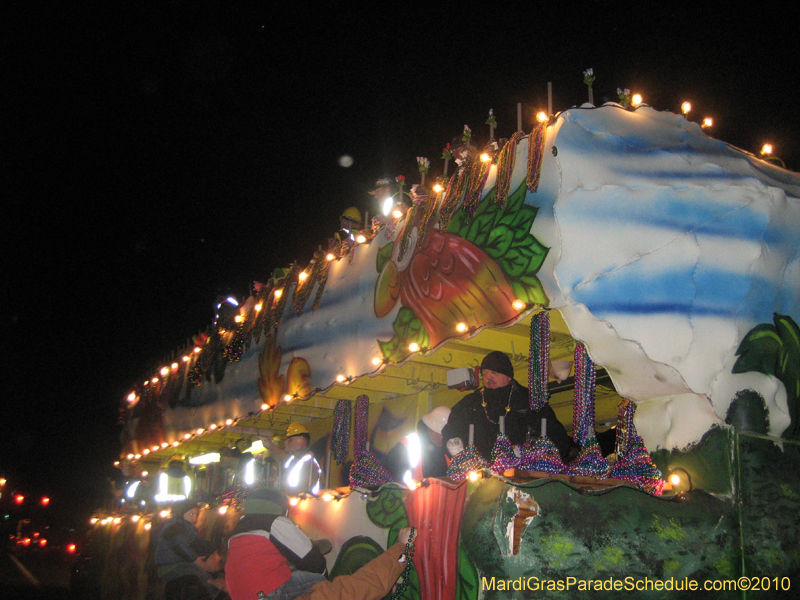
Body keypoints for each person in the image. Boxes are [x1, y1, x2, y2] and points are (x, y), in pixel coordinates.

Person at [441, 350, 575, 462]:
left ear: (509, 377)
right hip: (480, 471)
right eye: (485, 373)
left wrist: (527, 452)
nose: (489, 378)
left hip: (522, 472)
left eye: (495, 373)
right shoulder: (471, 402)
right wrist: (453, 442)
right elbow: (452, 428)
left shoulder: (529, 401)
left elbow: (557, 438)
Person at [231, 487, 329, 574]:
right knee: (317, 577)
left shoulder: (238, 527)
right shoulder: (275, 522)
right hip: (269, 590)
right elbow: (314, 563)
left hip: (241, 592)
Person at [383, 406, 451, 482]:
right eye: (441, 433)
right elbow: (392, 484)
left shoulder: (448, 449)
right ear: (430, 428)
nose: (444, 437)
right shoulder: (404, 448)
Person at [262, 423, 321, 495]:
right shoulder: (297, 459)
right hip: (297, 501)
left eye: (290, 440)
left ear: (299, 441)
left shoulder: (308, 463)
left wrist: (283, 489)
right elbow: (281, 455)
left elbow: (302, 489)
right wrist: (270, 445)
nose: (285, 442)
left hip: (303, 502)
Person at [163, 539, 228, 600]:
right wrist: (224, 589)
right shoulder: (190, 583)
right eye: (214, 554)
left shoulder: (197, 576)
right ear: (202, 558)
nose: (219, 557)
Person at [154, 499, 202, 578]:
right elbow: (180, 545)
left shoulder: (187, 526)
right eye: (191, 514)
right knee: (198, 574)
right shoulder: (175, 527)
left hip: (179, 561)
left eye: (196, 515)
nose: (194, 518)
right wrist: (194, 559)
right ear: (181, 513)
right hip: (169, 565)